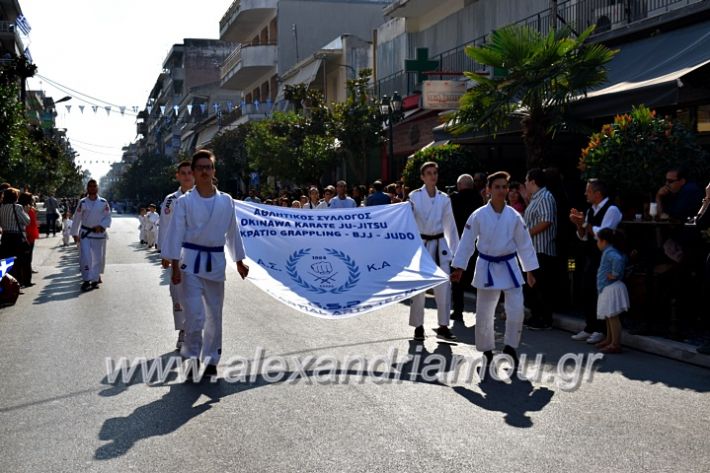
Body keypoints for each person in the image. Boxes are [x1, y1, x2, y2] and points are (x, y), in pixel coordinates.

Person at [162, 149, 249, 379]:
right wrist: (174, 266)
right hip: (189, 263)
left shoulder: (226, 201)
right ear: (193, 171)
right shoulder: (184, 202)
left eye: (207, 167)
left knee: (214, 314)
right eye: (199, 168)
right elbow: (175, 234)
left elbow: (232, 233)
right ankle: (191, 358)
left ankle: (211, 359)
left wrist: (239, 261)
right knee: (195, 316)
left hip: (216, 262)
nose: (203, 171)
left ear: (213, 171)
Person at [451, 171, 538, 371]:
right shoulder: (479, 215)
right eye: (497, 187)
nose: (501, 190)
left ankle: (510, 347)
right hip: (487, 267)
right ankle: (487, 351)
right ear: (488, 190)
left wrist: (530, 270)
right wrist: (459, 267)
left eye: (504, 187)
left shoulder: (514, 216)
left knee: (516, 310)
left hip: (510, 266)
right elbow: (466, 243)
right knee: (484, 313)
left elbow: (524, 244)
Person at [407, 161, 459, 342]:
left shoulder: (444, 198)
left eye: (435, 172)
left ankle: (443, 326)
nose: (432, 176)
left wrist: (456, 256)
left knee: (444, 287)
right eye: (428, 173)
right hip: (421, 245)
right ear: (422, 177)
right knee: (418, 288)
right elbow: (408, 222)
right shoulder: (414, 196)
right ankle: (418, 326)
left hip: (440, 245)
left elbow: (450, 227)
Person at [569, 179, 622, 344]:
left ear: (597, 194)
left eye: (588, 191)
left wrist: (584, 223)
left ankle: (602, 330)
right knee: (587, 290)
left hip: (606, 258)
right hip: (591, 256)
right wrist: (579, 224)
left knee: (601, 294)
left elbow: (602, 233)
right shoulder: (591, 210)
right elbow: (584, 236)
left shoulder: (611, 209)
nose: (585, 194)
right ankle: (590, 326)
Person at [159, 160, 195, 351]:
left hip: (199, 255)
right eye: (183, 173)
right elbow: (165, 227)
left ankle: (194, 332)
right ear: (178, 176)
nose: (187, 175)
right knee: (178, 295)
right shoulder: (170, 200)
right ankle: (182, 330)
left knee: (198, 296)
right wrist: (165, 253)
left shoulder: (204, 196)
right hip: (177, 256)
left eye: (190, 172)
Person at [522, 168, 557, 330]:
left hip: (542, 249)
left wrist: (526, 233)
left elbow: (546, 221)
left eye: (526, 181)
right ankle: (536, 316)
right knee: (533, 286)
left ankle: (545, 319)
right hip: (533, 250)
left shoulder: (545, 197)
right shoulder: (536, 198)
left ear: (533, 182)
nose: (525, 184)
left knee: (541, 287)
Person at [449, 174, 484, 322]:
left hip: (458, 244)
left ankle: (458, 311)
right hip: (477, 243)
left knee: (457, 280)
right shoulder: (479, 199)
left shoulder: (454, 199)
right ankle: (482, 312)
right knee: (476, 278)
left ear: (459, 186)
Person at [71, 179, 112, 291]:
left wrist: (102, 226)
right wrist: (75, 233)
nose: (92, 188)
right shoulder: (83, 202)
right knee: (85, 256)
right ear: (87, 188)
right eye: (90, 186)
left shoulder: (103, 202)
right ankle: (86, 279)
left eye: (94, 186)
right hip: (85, 233)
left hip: (98, 233)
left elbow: (108, 217)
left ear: (97, 188)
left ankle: (94, 280)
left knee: (97, 258)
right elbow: (77, 218)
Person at [594, 228, 629, 354]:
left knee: (613, 316)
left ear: (604, 241)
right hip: (607, 287)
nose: (597, 243)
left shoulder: (610, 252)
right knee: (609, 315)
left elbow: (618, 260)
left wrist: (614, 274)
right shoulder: (610, 251)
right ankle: (609, 339)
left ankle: (615, 343)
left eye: (598, 240)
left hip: (611, 287)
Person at [0, 188, 30, 286]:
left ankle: (7, 283)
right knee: (18, 261)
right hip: (16, 237)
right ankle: (17, 283)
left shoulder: (1, 208)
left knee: (7, 261)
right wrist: (26, 212)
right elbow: (27, 221)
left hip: (5, 237)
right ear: (15, 197)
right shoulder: (17, 207)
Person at [18, 192, 39, 287]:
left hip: (31, 232)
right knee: (26, 257)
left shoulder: (27, 207)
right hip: (28, 233)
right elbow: (26, 221)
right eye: (31, 198)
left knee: (27, 256)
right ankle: (25, 279)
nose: (32, 200)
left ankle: (25, 278)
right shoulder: (23, 208)